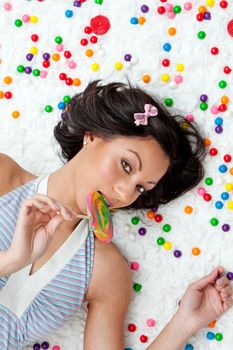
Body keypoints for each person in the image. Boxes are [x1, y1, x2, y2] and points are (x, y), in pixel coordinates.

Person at [0, 80, 232, 350]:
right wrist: (10, 260)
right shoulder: (5, 177)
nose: (123, 193)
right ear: (92, 136)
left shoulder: (106, 270)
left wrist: (186, 322)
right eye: (126, 165)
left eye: (140, 187)